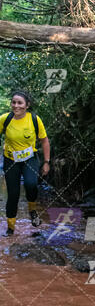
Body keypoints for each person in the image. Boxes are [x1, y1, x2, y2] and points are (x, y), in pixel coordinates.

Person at [0, 91, 50, 236]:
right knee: (13, 194)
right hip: (11, 160)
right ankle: (10, 228)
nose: (16, 106)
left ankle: (32, 210)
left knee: (31, 184)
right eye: (14, 102)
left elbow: (44, 140)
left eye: (20, 103)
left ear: (27, 105)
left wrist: (46, 162)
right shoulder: (5, 119)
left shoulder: (34, 119)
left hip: (30, 159)